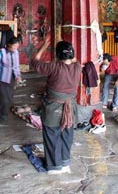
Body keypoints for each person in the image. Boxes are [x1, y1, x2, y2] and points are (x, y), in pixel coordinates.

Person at [31, 38, 81, 175]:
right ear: (71, 54)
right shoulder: (78, 67)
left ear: (57, 55)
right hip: (70, 109)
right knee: (67, 135)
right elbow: (74, 59)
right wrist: (69, 49)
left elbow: (34, 62)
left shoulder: (53, 67)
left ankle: (54, 166)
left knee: (52, 135)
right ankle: (65, 163)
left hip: (53, 108)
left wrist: (44, 46)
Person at [0, 36, 21, 122]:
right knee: (2, 98)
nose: (15, 48)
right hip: (2, 79)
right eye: (14, 46)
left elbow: (16, 66)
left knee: (9, 98)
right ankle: (1, 116)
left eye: (17, 47)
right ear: (8, 45)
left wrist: (18, 76)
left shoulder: (16, 53)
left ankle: (0, 112)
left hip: (11, 78)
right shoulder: (1, 52)